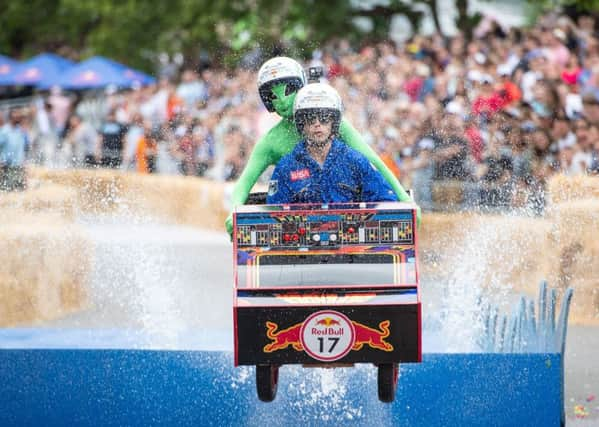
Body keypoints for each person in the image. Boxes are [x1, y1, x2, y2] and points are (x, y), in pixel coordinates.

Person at [225, 57, 415, 233]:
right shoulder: (272, 145)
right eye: (274, 96)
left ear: (332, 123)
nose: (282, 101)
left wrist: (405, 199)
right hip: (304, 223)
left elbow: (373, 161)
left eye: (323, 120)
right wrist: (233, 212)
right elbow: (245, 183)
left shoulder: (343, 136)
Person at [267, 83, 397, 204]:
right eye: (311, 119)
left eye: (324, 118)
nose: (317, 124)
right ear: (302, 124)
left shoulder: (355, 161)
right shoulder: (286, 167)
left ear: (333, 123)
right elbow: (273, 213)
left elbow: (386, 200)